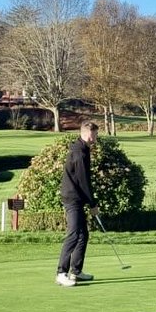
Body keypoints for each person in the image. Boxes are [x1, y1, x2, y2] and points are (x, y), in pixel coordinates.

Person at [56, 122, 99, 286]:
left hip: (77, 197)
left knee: (83, 235)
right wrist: (93, 204)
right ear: (88, 134)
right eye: (95, 135)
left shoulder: (83, 148)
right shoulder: (80, 153)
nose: (96, 138)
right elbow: (84, 181)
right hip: (72, 198)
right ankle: (61, 273)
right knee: (74, 234)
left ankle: (76, 271)